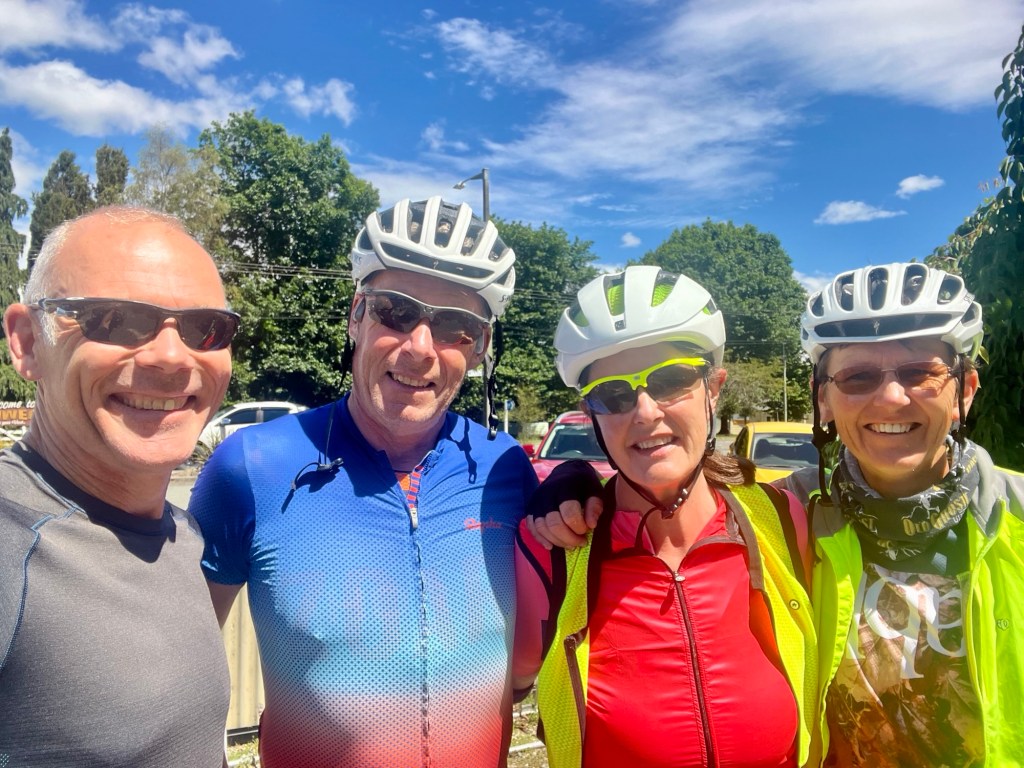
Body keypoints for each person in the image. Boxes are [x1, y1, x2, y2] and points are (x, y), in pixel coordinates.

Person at [189, 196, 539, 768]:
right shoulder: (249, 467)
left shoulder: (507, 467)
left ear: (480, 348)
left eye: (456, 326)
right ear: (356, 315)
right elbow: (177, 673)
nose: (420, 348)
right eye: (396, 312)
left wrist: (578, 484)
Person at [513, 265, 818, 768]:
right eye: (613, 394)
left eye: (671, 380)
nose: (645, 411)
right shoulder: (553, 552)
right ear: (591, 413)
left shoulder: (787, 521)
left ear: (714, 388)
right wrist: (562, 481)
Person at [0, 207, 237, 766]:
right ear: (28, 342)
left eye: (206, 328)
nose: (172, 358)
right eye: (115, 320)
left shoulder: (182, 534)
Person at [784, 262, 1024, 767]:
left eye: (919, 373)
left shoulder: (1018, 514)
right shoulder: (784, 518)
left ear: (965, 390)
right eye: (858, 377)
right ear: (823, 399)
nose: (891, 398)